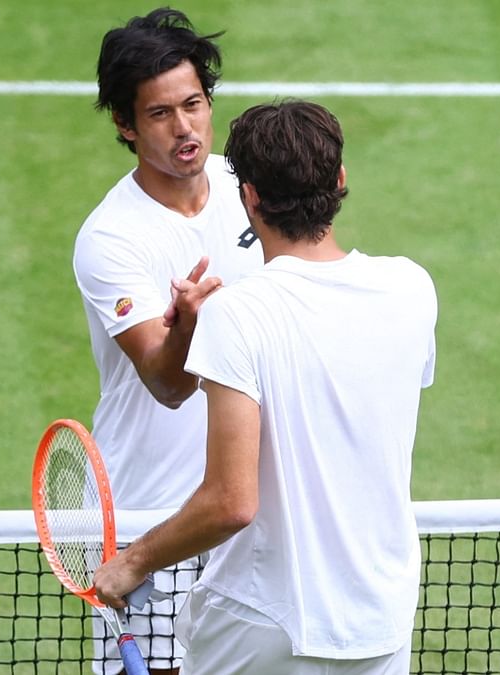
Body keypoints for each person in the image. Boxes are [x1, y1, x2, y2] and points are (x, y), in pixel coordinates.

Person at [93, 99, 438, 674]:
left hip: (265, 623)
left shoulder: (238, 314)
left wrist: (134, 562)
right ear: (341, 179)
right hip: (380, 619)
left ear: (248, 197)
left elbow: (231, 502)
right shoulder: (411, 288)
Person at [71, 7, 262, 675]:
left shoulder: (251, 189)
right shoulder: (112, 238)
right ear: (125, 125)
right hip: (154, 516)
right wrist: (186, 322)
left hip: (250, 509)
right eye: (159, 114)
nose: (185, 128)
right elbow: (167, 381)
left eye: (194, 104)